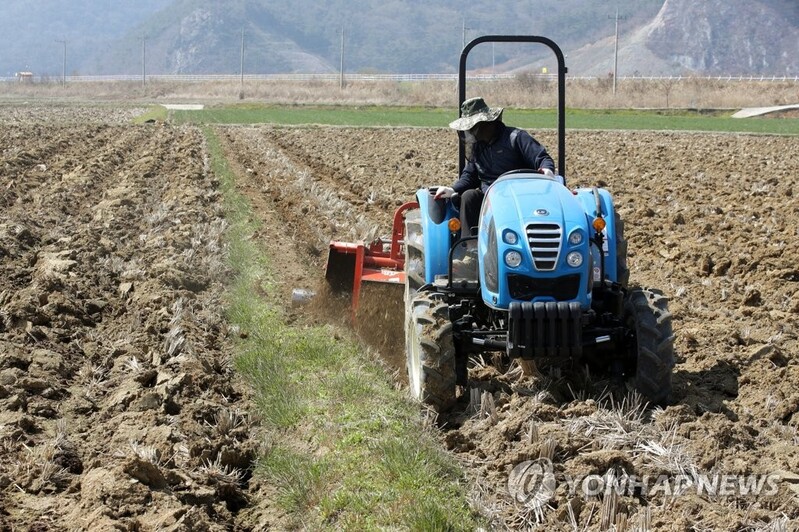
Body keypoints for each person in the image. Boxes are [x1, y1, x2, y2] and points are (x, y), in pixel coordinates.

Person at [434, 97, 556, 238]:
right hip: (490, 199)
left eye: (472, 128)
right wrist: (452, 189)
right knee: (468, 196)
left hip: (520, 197)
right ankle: (470, 247)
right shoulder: (478, 148)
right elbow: (469, 176)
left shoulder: (516, 138)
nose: (470, 133)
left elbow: (542, 158)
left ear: (485, 123)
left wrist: (547, 170)